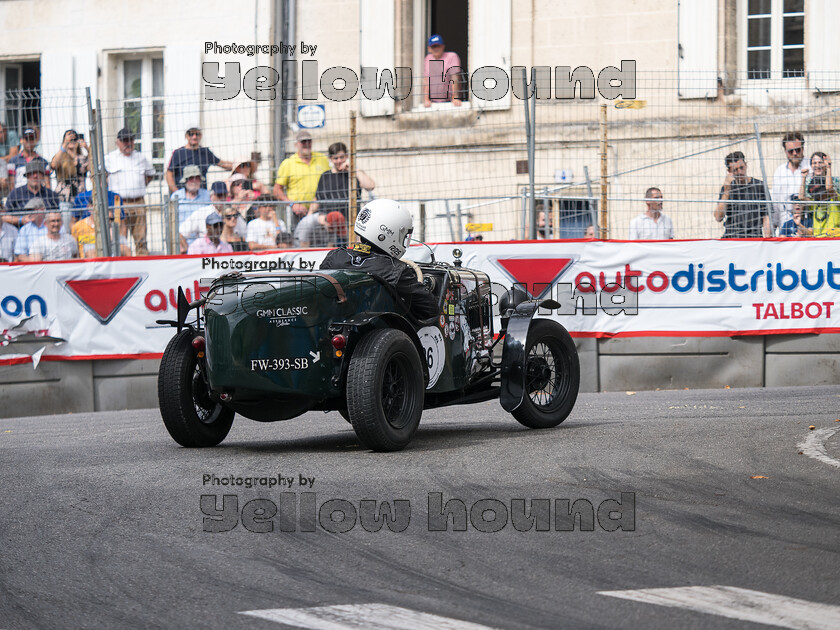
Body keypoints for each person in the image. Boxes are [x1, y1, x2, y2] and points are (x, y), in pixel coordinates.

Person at [320, 199, 439, 320]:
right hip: (377, 332)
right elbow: (430, 309)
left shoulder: (334, 257)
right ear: (388, 233)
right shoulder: (394, 269)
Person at [105, 128, 155, 255]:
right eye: (125, 140)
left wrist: (139, 187)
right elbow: (100, 177)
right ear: (118, 143)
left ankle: (143, 263)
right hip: (118, 203)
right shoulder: (110, 158)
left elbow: (150, 174)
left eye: (131, 140)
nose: (128, 143)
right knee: (120, 240)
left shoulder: (141, 157)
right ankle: (121, 264)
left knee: (141, 237)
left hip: (138, 201)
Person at [272, 130, 330, 229]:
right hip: (299, 213)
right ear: (296, 144)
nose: (306, 144)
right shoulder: (288, 163)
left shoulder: (322, 159)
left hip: (321, 210)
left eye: (309, 141)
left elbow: (330, 182)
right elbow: (277, 190)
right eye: (303, 142)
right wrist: (293, 204)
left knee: (324, 242)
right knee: (301, 243)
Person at [311, 142, 375, 225]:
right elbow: (317, 199)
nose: (339, 161)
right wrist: (309, 217)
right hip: (329, 225)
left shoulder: (354, 174)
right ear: (330, 158)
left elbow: (370, 186)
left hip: (350, 223)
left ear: (347, 156)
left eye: (342, 157)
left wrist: (353, 169)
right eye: (335, 158)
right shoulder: (325, 176)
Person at [714, 151, 771, 238]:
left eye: (741, 167)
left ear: (746, 165)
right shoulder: (727, 188)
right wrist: (726, 191)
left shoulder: (759, 186)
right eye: (735, 170)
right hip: (731, 237)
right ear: (729, 171)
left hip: (753, 237)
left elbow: (767, 216)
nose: (740, 172)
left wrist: (767, 240)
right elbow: (718, 217)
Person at [165, 124, 232, 193]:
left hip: (201, 194)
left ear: (201, 136)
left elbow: (222, 163)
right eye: (191, 134)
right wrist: (176, 192)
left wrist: (239, 164)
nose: (194, 137)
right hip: (182, 195)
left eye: (197, 134)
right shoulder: (178, 153)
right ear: (186, 136)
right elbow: (169, 174)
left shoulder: (205, 152)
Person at [179, 181, 244, 251]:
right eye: (219, 195)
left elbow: (246, 234)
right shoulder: (201, 213)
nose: (222, 198)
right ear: (211, 197)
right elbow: (181, 233)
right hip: (206, 251)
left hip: (231, 250)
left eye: (224, 195)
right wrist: (188, 250)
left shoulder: (233, 214)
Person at [771, 131, 809, 232]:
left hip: (807, 225)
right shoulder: (779, 171)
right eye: (790, 151)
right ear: (785, 152)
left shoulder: (811, 167)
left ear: (803, 149)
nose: (795, 153)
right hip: (785, 226)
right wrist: (773, 227)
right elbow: (776, 202)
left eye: (797, 150)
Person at [4, 160, 60, 225]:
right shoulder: (15, 194)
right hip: (21, 232)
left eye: (38, 173)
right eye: (32, 173)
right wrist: (21, 220)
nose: (35, 176)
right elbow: (4, 217)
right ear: (27, 176)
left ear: (42, 176)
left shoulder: (51, 195)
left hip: (46, 231)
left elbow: (58, 216)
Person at [50, 129, 89, 203]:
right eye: (70, 139)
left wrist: (87, 148)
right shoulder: (60, 157)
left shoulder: (83, 158)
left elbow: (92, 168)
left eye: (75, 139)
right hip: (64, 198)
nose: (72, 141)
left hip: (81, 198)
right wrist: (65, 144)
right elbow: (53, 165)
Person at [423, 34, 462, 107]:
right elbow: (426, 80)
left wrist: (455, 97)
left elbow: (455, 79)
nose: (436, 48)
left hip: (449, 102)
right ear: (429, 49)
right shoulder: (428, 58)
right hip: (433, 103)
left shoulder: (452, 56)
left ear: (443, 46)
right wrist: (426, 99)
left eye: (438, 46)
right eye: (433, 46)